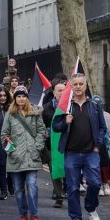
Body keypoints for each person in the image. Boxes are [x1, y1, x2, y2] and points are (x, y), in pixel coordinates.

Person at [53, 73, 107, 220]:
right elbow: (56, 127)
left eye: (80, 84)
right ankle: (76, 217)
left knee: (95, 183)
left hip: (91, 152)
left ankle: (90, 207)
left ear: (85, 85)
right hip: (71, 153)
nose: (78, 87)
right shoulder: (65, 106)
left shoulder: (95, 106)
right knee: (73, 187)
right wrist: (65, 121)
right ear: (71, 86)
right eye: (75, 84)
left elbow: (103, 128)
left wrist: (98, 145)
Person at [2, 86, 45, 220]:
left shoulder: (35, 112)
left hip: (32, 155)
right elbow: (4, 135)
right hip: (16, 157)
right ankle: (22, 214)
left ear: (27, 97)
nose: (21, 99)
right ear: (15, 98)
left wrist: (37, 148)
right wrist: (11, 151)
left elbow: (41, 131)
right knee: (19, 189)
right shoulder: (10, 114)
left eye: (23, 96)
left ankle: (34, 214)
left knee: (32, 185)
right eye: (18, 96)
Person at [42, 79, 66, 207]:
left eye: (64, 90)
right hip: (52, 145)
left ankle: (68, 190)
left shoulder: (70, 106)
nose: (62, 93)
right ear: (54, 92)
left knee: (69, 169)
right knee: (55, 170)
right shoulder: (47, 108)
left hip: (69, 144)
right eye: (59, 90)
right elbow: (41, 126)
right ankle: (59, 195)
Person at [92, 95, 110, 196]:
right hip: (92, 143)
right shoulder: (89, 114)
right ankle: (97, 185)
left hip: (104, 143)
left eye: (98, 103)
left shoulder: (106, 115)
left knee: (104, 164)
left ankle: (105, 183)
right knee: (94, 165)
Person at [0, 88, 14, 200]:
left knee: (11, 164)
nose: (3, 98)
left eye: (5, 95)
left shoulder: (11, 108)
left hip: (10, 141)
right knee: (1, 165)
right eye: (0, 96)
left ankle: (11, 184)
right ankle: (3, 190)